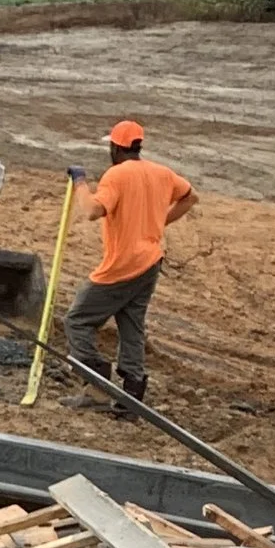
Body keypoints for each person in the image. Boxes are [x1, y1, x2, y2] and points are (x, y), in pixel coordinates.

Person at [68, 119, 196, 406]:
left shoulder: (117, 176)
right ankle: (131, 397)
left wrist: (79, 182)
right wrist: (158, 223)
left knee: (77, 320)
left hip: (122, 265)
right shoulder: (161, 173)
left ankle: (97, 383)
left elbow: (91, 211)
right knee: (131, 325)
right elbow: (190, 197)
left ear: (116, 147)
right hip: (151, 261)